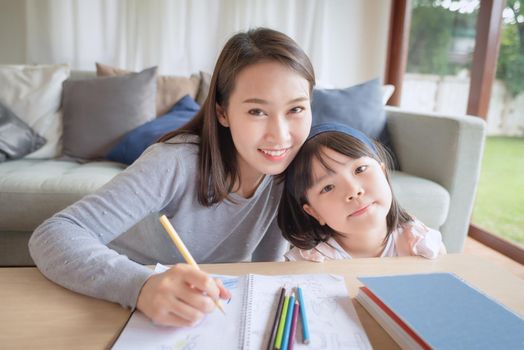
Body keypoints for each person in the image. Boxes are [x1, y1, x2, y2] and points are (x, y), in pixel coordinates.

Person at [29, 27, 315, 327]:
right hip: (114, 299)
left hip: (196, 309)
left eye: (295, 109)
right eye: (257, 111)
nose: (280, 136)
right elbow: (53, 234)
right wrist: (141, 286)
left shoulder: (292, 168)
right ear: (222, 113)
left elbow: (268, 269)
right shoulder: (175, 162)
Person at [278, 123, 447, 262]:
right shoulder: (309, 261)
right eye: (328, 187)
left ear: (383, 172)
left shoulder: (421, 244)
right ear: (313, 212)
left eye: (360, 169)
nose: (353, 191)